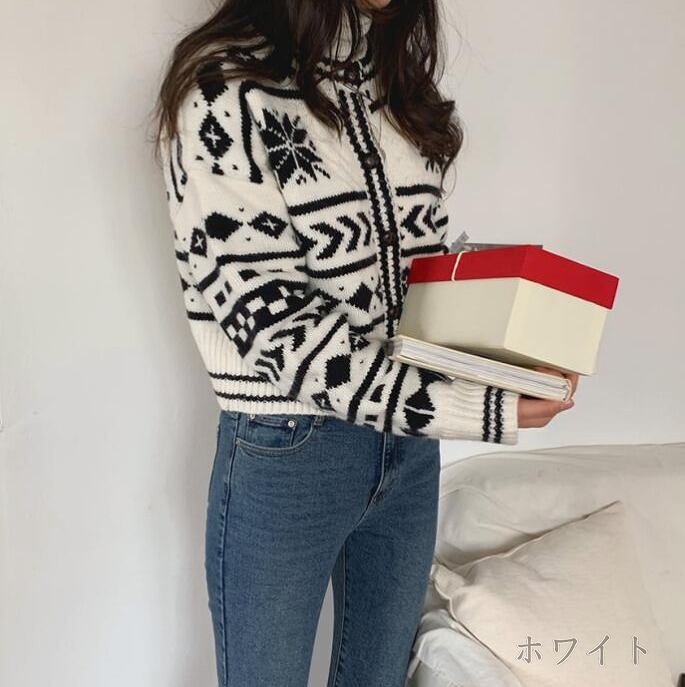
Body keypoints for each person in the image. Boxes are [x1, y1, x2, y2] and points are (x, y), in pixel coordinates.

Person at [152, 1, 579, 684]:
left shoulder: (394, 78)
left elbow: (416, 284)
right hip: (289, 449)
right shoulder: (224, 86)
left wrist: (505, 352)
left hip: (409, 448)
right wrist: (477, 406)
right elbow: (274, 326)